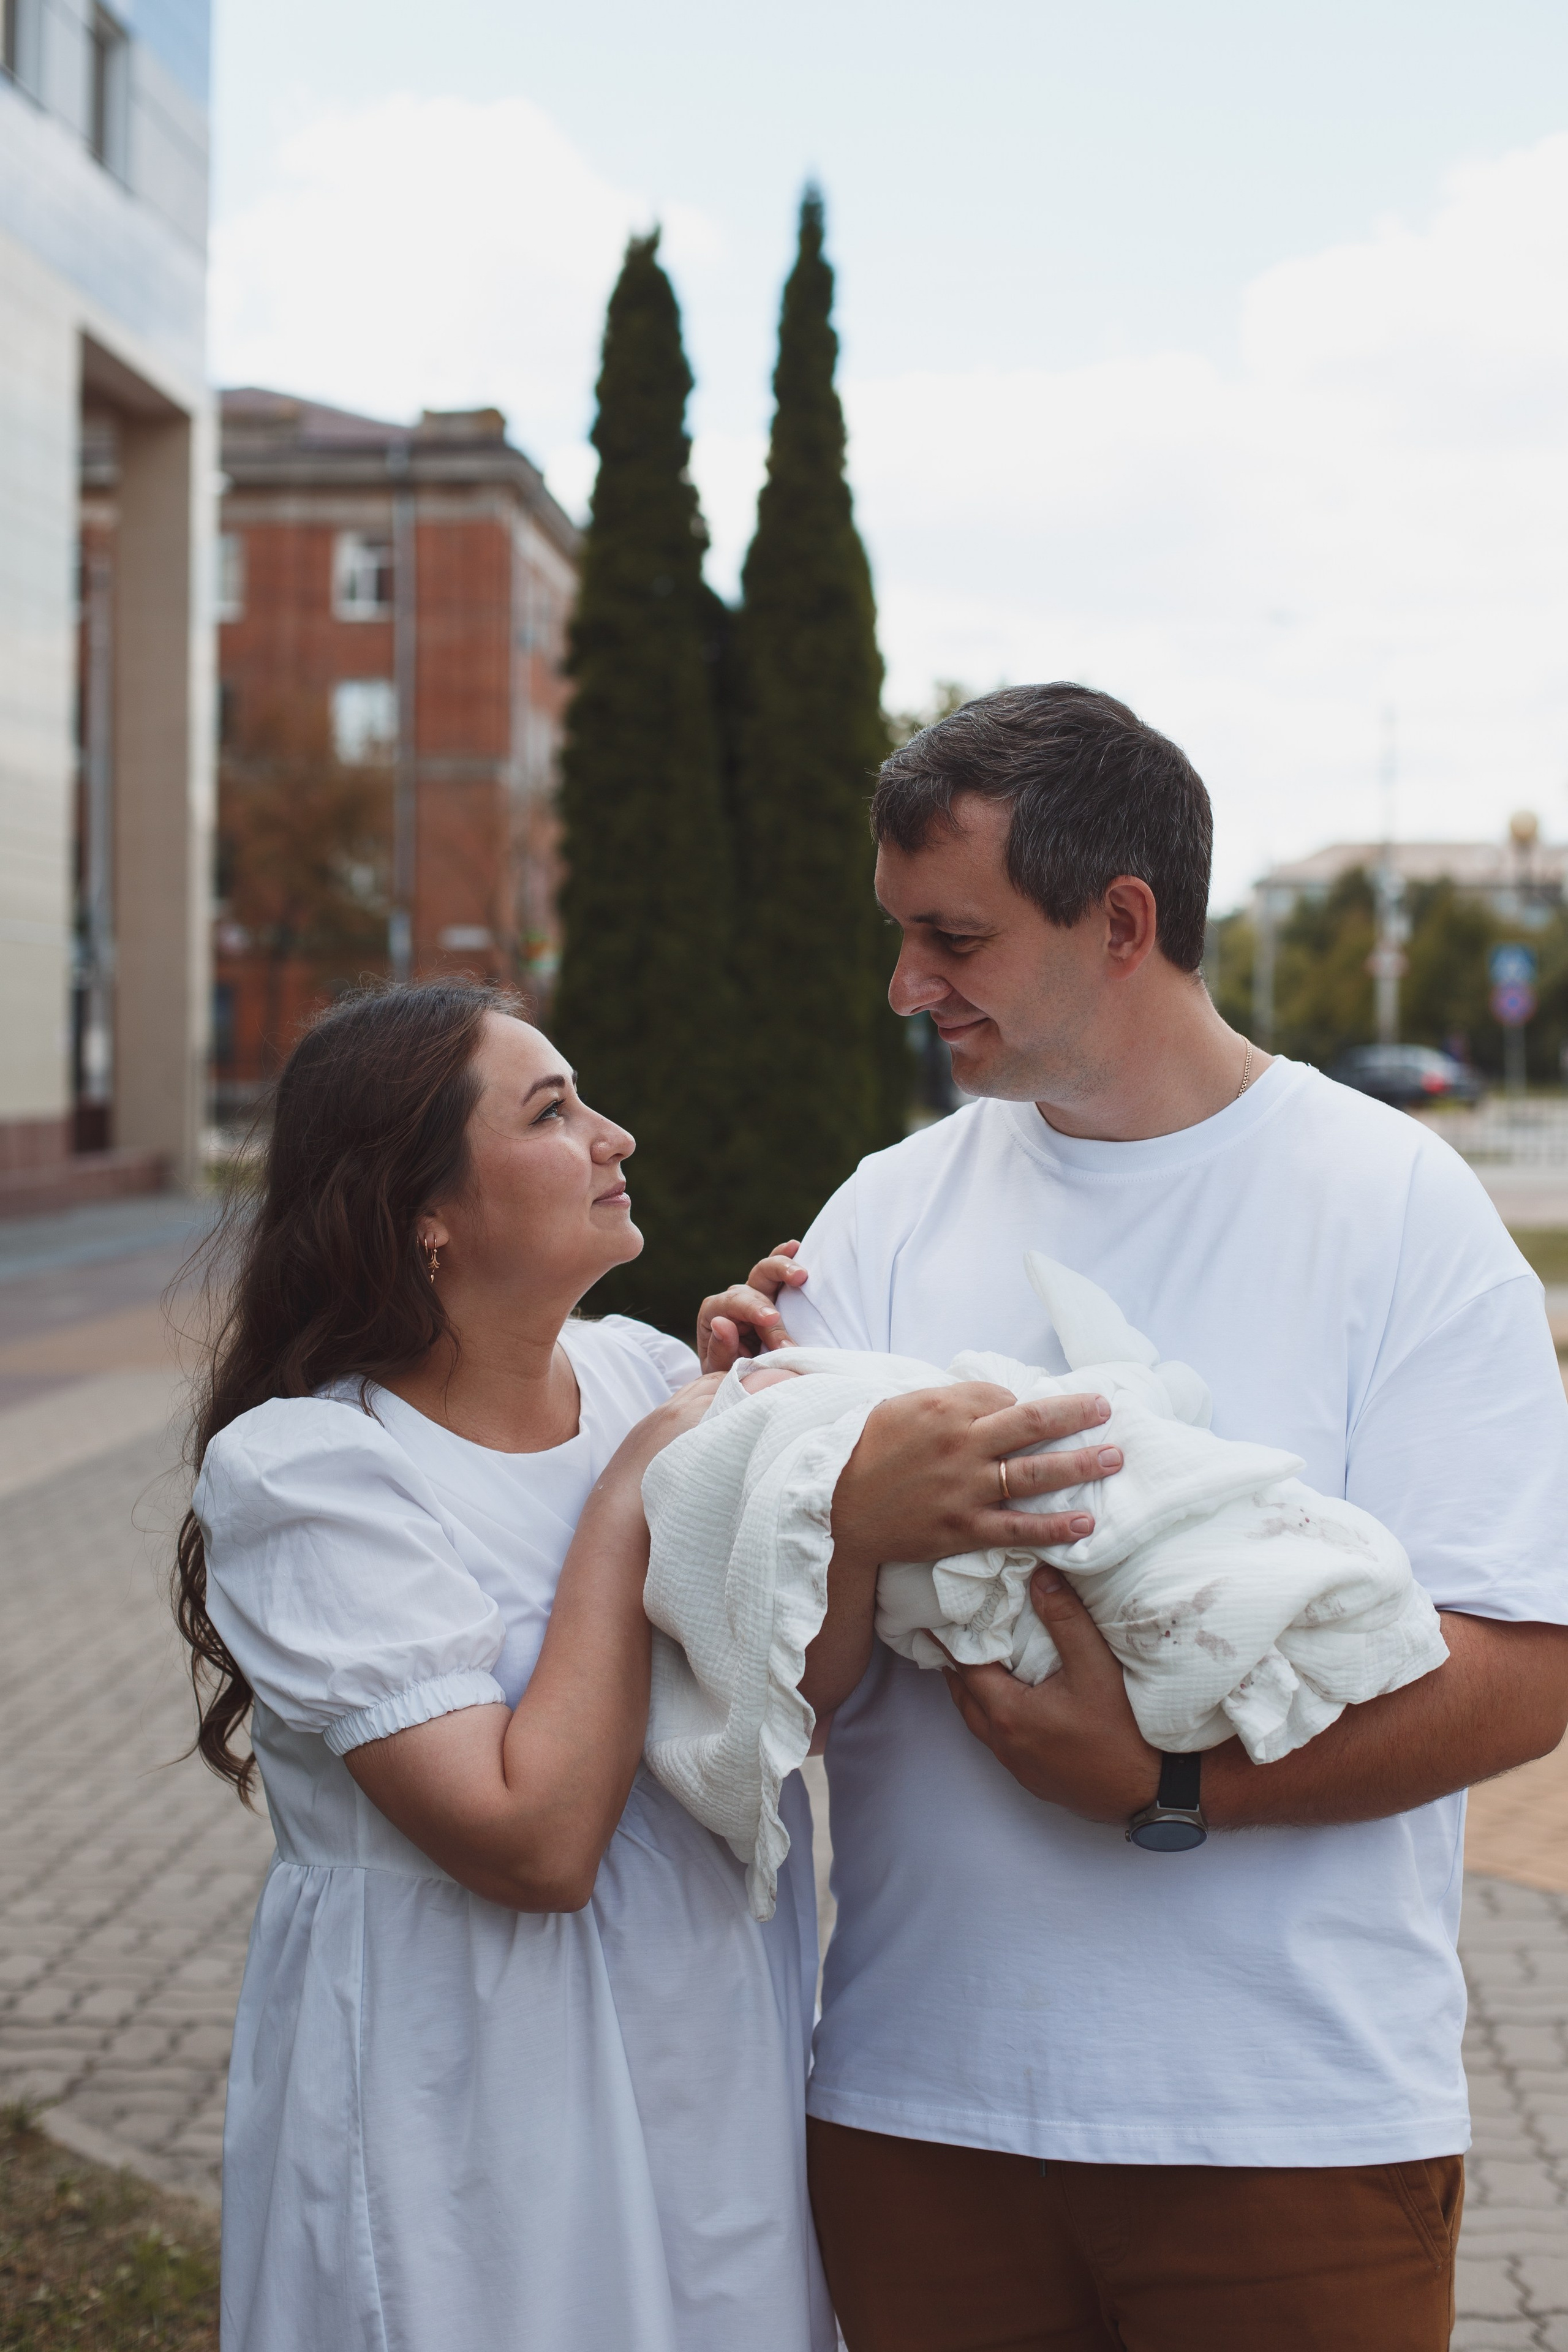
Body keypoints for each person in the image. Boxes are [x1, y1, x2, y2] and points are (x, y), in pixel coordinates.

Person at [700, 684, 1568, 2352]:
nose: (905, 987)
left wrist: (1174, 1782)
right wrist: (786, 1486)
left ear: (1122, 923)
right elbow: (771, 1686)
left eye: (951, 937)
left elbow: (1525, 1675)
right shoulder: (881, 1221)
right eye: (899, 938)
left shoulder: (1398, 1212)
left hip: (1292, 2127)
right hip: (918, 2107)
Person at [175, 980, 837, 2352]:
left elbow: (784, 1700)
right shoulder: (311, 1475)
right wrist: (640, 1493)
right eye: (552, 1113)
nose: (616, 1137)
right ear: (424, 1212)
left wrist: (762, 1467)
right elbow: (530, 1842)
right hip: (466, 2101)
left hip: (705, 2048)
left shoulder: (639, 1373)